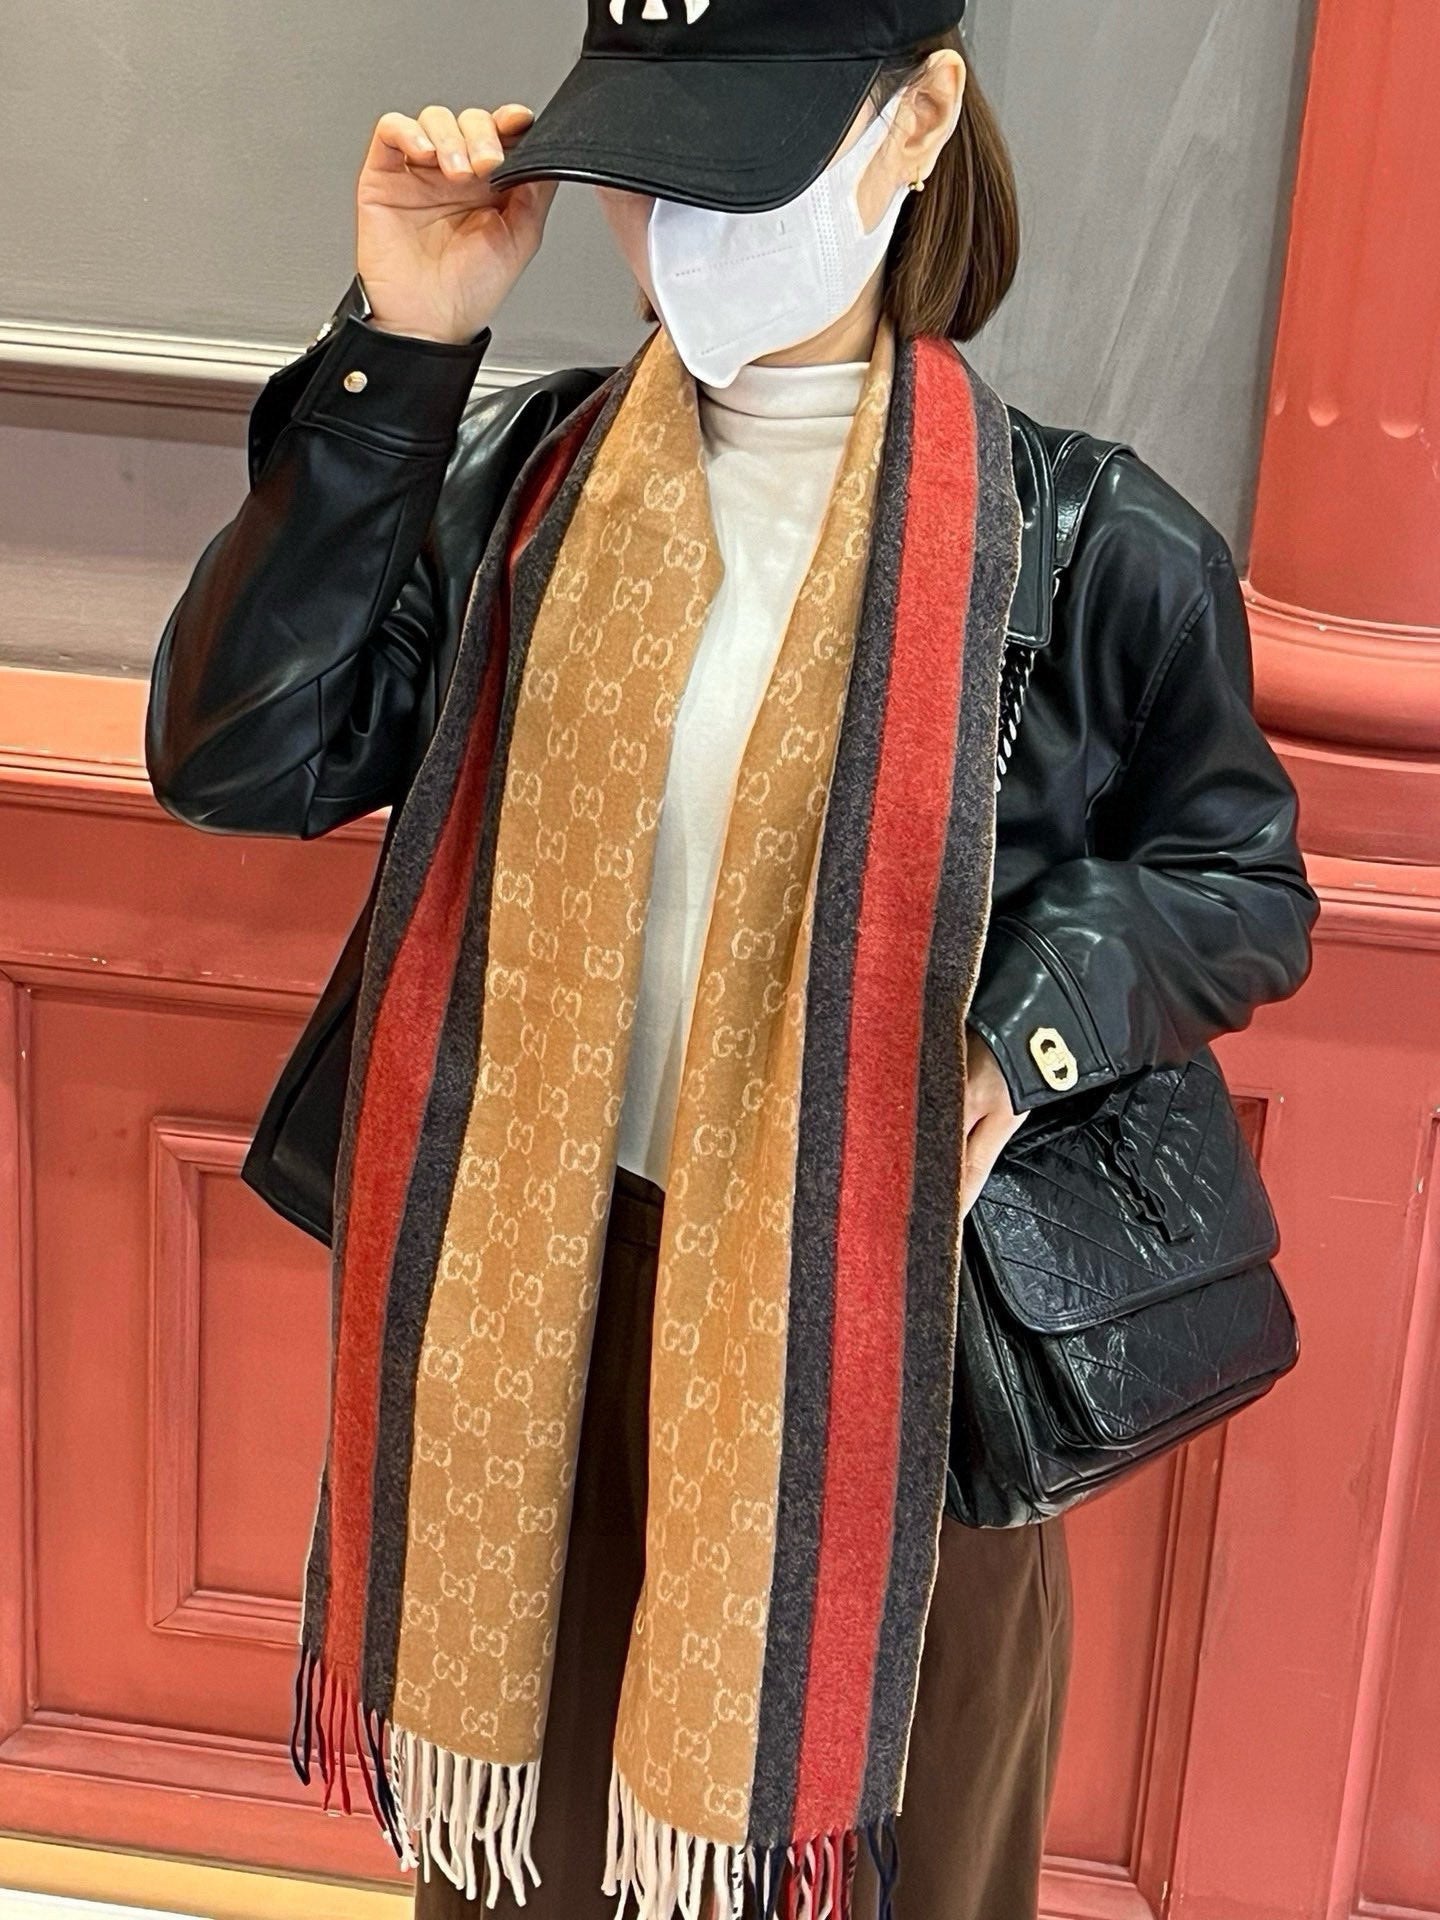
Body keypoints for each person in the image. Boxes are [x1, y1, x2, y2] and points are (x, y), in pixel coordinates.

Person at [144, 3, 1320, 1916]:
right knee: (530, 1867)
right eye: (646, 170)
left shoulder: (1087, 544)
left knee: (869, 1866)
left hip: (880, 1331)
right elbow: (238, 757)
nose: (678, 229)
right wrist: (402, 351)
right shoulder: (520, 487)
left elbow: (1239, 880)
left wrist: (1012, 1035)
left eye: (740, 167)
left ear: (919, 120)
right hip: (545, 1312)